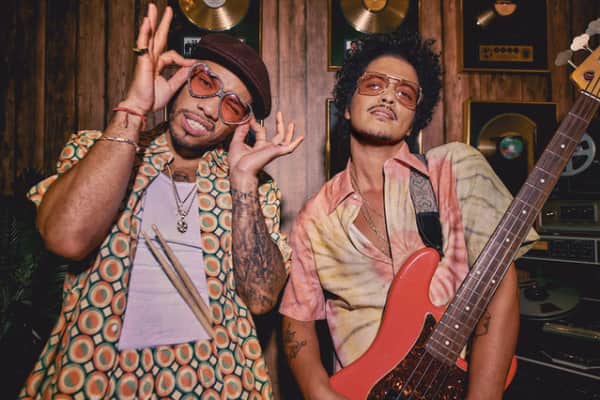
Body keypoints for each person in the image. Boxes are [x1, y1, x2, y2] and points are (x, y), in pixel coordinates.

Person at [19, 4, 302, 399]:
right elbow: (65, 238)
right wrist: (135, 110)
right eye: (205, 82)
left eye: (232, 105)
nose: (209, 108)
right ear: (180, 77)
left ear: (241, 125)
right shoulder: (99, 150)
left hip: (216, 385)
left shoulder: (254, 191)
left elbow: (261, 298)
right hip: (98, 379)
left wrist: (243, 182)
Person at [280, 29, 537, 400]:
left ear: (415, 120)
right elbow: (297, 318)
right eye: (374, 84)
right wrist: (318, 391)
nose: (388, 96)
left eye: (405, 93)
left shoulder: (453, 169)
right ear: (347, 105)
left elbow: (499, 285)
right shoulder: (315, 215)